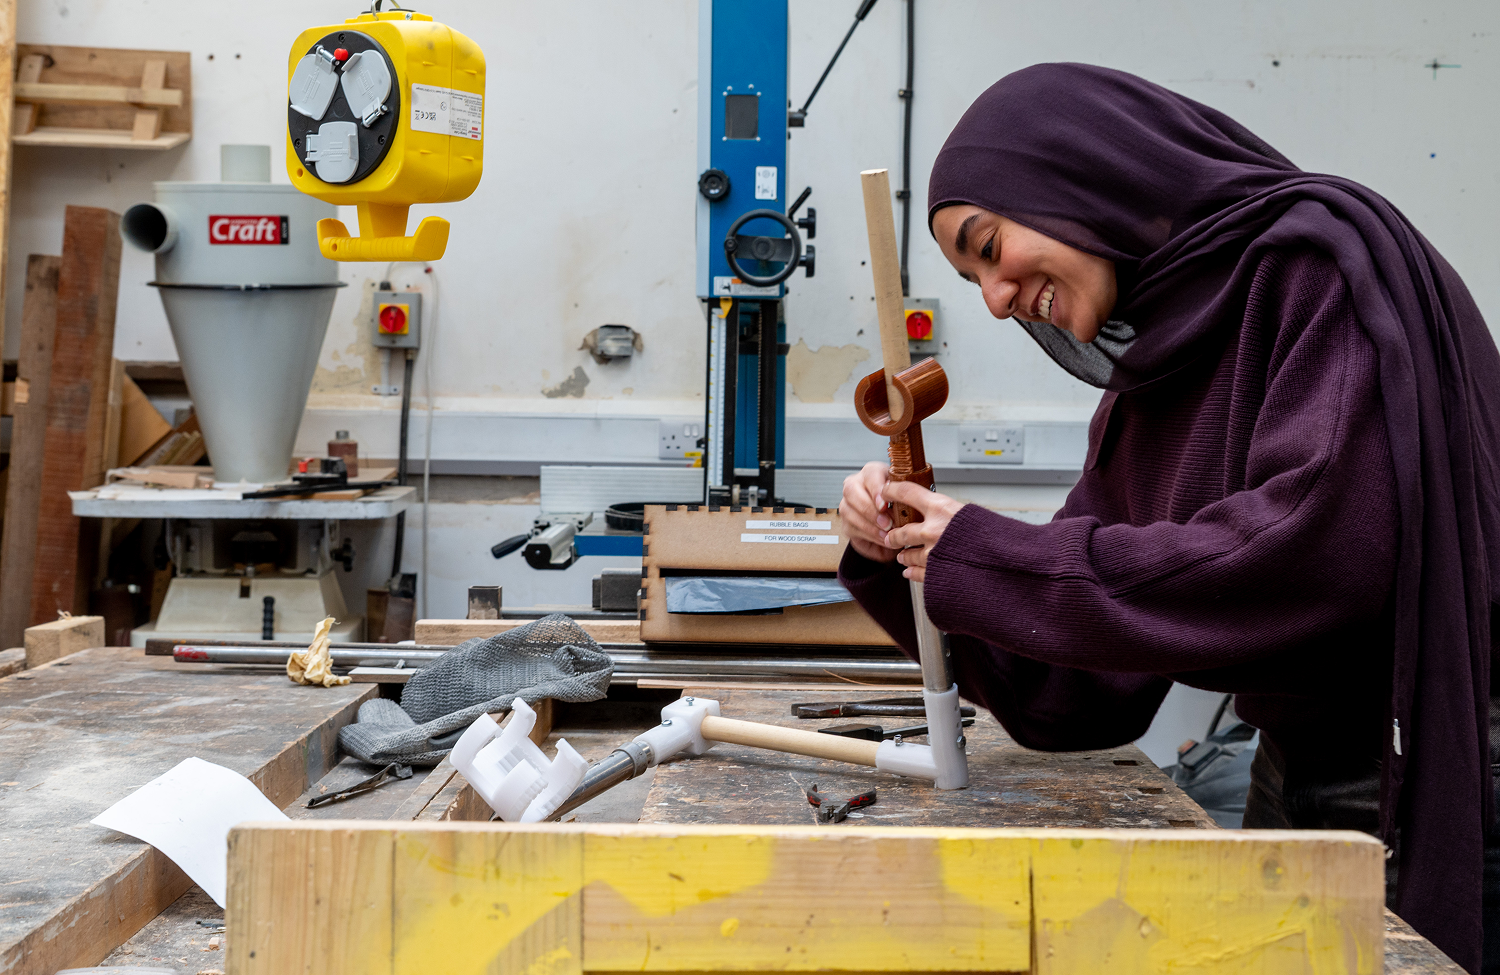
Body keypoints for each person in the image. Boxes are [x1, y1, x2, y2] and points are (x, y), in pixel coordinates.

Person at [839, 63, 1500, 972]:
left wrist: (993, 556)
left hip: (1437, 765)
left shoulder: (1316, 268)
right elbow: (1071, 686)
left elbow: (1317, 554)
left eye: (988, 246)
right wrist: (905, 554)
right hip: (1296, 769)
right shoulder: (1151, 378)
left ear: (1076, 178)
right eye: (971, 276)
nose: (992, 299)